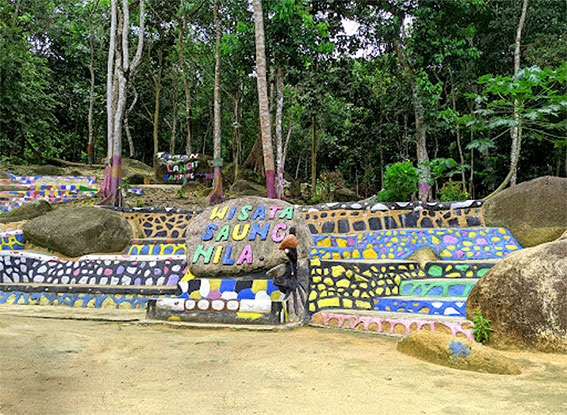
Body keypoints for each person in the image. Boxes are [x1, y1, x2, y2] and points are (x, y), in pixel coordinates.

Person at [276, 227, 307, 321]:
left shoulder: (292, 247)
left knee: (292, 289)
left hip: (292, 270)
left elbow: (293, 258)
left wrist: (288, 253)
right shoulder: (292, 244)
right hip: (292, 268)